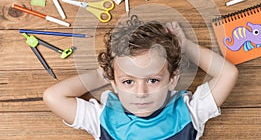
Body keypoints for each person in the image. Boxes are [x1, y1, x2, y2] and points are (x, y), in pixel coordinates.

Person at [43, 15, 239, 140]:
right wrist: (101, 74)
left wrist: (184, 46)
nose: (140, 93)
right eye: (128, 81)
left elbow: (228, 74)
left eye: (153, 80)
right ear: (115, 83)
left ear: (172, 80)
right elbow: (53, 97)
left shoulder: (189, 112)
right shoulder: (103, 119)